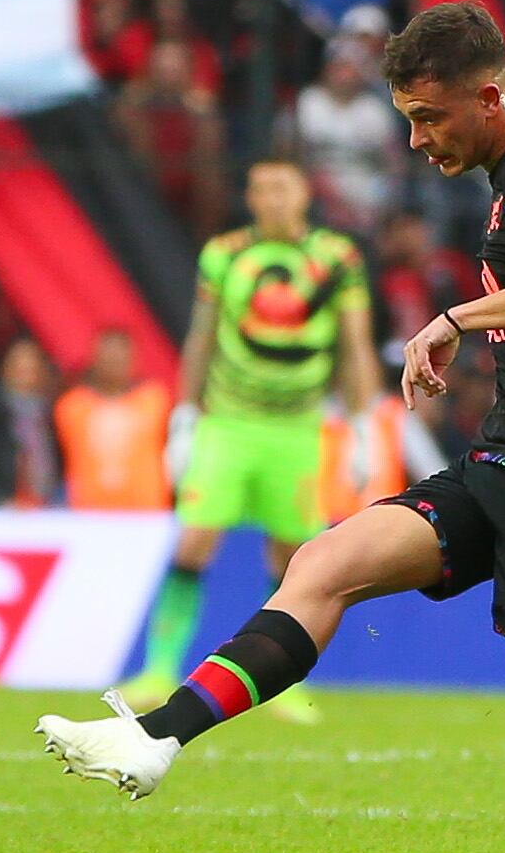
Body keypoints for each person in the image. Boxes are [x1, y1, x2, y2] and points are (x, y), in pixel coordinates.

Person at [38, 1, 505, 853]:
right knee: (326, 563)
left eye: (428, 117)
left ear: (489, 96)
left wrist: (457, 318)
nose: (416, 141)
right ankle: (154, 734)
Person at [128, 159, 379, 714]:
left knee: (293, 561)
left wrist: (363, 428)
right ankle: (158, 668)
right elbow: (202, 336)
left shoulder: (337, 259)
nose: (271, 199)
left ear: (304, 193)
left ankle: (280, 685)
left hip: (298, 429)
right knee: (194, 540)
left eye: (282, 187)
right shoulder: (225, 253)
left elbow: (354, 346)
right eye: (260, 187)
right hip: (228, 424)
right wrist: (185, 417)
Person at [55, 328, 173, 511]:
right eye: (108, 355)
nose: (114, 361)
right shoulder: (72, 406)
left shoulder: (156, 400)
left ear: (133, 358)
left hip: (148, 512)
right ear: (94, 358)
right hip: (88, 512)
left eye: (120, 355)